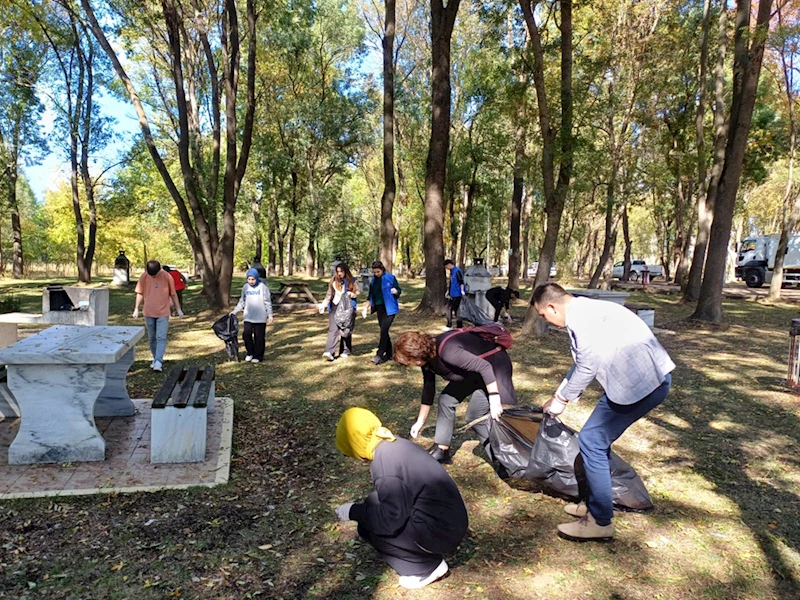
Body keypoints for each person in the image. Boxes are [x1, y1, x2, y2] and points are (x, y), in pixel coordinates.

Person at [532, 283, 675, 542]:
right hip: (647, 378)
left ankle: (600, 521)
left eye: (543, 315)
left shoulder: (582, 319)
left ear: (552, 307)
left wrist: (561, 401)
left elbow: (587, 366)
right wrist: (558, 393)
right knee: (596, 440)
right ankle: (595, 502)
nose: (547, 321)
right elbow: (580, 363)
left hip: (642, 384)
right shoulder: (586, 308)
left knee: (592, 441)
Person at [334, 407, 468, 589]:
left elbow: (389, 521)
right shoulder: (393, 444)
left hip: (442, 532)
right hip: (451, 520)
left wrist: (353, 511)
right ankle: (423, 556)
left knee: (368, 526)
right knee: (372, 502)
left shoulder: (383, 463)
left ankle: (427, 568)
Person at [393, 329, 517, 464]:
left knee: (476, 415)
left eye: (409, 361)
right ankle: (442, 450)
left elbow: (484, 367)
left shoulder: (446, 351)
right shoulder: (427, 357)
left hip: (494, 369)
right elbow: (429, 388)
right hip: (473, 373)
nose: (410, 365)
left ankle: (506, 458)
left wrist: (494, 398)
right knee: (446, 400)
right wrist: (420, 421)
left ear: (416, 355)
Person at [133, 260, 183, 372]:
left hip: (163, 313)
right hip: (148, 312)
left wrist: (178, 309)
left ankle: (158, 361)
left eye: (155, 274)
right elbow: (140, 293)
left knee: (161, 337)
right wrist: (136, 309)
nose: (153, 276)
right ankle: (156, 358)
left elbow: (173, 294)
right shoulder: (144, 277)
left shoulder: (167, 277)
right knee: (151, 338)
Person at [231, 268, 274, 363]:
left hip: (260, 317)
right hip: (248, 316)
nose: (251, 281)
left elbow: (267, 302)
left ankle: (258, 356)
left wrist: (270, 315)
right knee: (246, 335)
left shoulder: (263, 287)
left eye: (253, 279)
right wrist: (234, 311)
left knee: (259, 337)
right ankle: (250, 352)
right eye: (249, 279)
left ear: (256, 278)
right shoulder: (245, 287)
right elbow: (242, 301)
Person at [319, 262, 359, 361]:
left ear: (345, 271)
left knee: (346, 330)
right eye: (338, 272)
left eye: (341, 271)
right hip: (335, 307)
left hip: (347, 308)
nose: (339, 274)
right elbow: (329, 295)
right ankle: (329, 352)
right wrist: (323, 304)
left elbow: (357, 292)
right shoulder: (333, 281)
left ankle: (345, 350)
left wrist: (352, 294)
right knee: (333, 329)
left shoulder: (353, 281)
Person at [364, 260, 401, 365]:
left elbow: (399, 290)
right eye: (374, 272)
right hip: (379, 308)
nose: (376, 274)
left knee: (384, 330)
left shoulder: (390, 278)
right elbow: (370, 295)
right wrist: (366, 306)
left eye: (378, 272)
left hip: (390, 308)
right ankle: (389, 353)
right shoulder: (373, 281)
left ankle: (379, 355)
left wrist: (396, 291)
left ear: (382, 270)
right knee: (384, 330)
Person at [444, 259, 464, 329]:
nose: (446, 268)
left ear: (449, 265)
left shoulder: (457, 271)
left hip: (457, 294)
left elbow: (461, 282)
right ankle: (459, 325)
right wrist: (448, 292)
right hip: (453, 293)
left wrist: (462, 291)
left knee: (449, 308)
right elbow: (452, 283)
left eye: (446, 267)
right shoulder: (452, 271)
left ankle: (450, 325)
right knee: (455, 309)